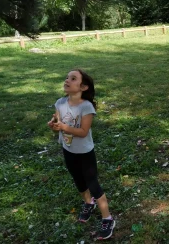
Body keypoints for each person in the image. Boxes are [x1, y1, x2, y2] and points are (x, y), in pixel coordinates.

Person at [47, 69, 115, 240]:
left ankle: (108, 218)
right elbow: (58, 124)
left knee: (93, 184)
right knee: (78, 181)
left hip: (85, 153)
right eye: (67, 77)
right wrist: (54, 125)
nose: (67, 80)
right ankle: (88, 203)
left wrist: (63, 127)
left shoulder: (86, 107)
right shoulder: (60, 103)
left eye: (73, 78)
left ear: (83, 87)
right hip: (68, 150)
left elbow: (83, 131)